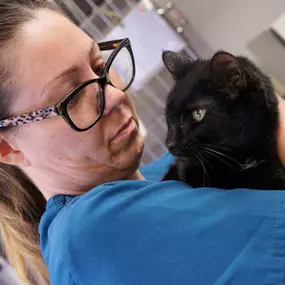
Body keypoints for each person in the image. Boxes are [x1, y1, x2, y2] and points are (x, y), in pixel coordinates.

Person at [0, 1, 285, 285]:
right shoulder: (96, 231)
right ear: (8, 148)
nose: (113, 94)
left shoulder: (156, 176)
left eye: (100, 66)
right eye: (71, 96)